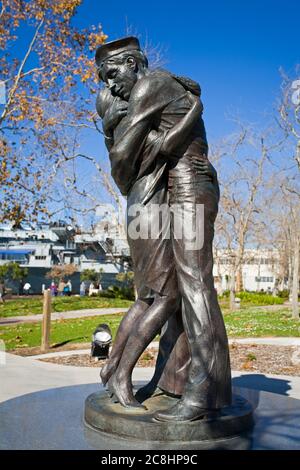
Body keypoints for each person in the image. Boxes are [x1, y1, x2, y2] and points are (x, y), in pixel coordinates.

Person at [95, 37, 231, 421]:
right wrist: (193, 112)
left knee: (193, 284)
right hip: (176, 189)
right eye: (104, 79)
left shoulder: (151, 85)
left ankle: (201, 392)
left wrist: (137, 147)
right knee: (172, 294)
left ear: (134, 64)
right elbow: (165, 144)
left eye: (113, 74)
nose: (111, 84)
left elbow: (125, 156)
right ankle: (178, 382)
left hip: (189, 187)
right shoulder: (155, 87)